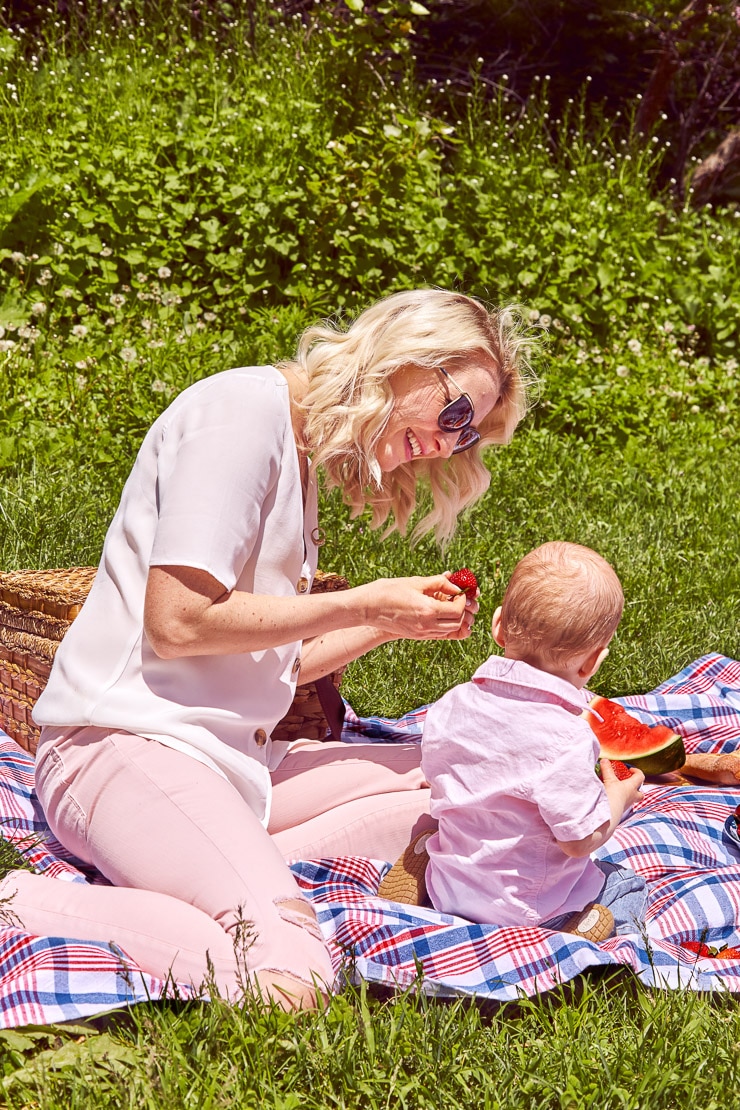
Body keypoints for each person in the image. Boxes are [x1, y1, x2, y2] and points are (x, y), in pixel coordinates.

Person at [0, 289, 537, 1009]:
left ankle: (216, 871)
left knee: (458, 780)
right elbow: (180, 622)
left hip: (224, 760)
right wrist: (361, 600)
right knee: (292, 979)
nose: (448, 444)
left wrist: (387, 624)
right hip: (121, 745)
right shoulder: (242, 415)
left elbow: (266, 668)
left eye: (466, 436)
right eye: (455, 414)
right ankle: (23, 903)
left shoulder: (298, 445)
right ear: (405, 359)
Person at [381, 541, 648, 942]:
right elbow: (579, 841)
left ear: (499, 625)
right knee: (626, 886)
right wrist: (618, 796)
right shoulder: (566, 736)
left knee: (431, 828)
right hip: (531, 911)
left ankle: (419, 868)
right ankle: (575, 937)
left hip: (451, 888)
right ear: (592, 661)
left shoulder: (451, 704)